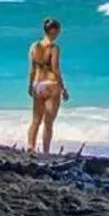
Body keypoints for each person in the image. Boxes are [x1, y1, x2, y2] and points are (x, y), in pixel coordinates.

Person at [26, 18, 69, 153]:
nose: (59, 33)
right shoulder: (54, 48)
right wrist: (63, 88)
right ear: (52, 30)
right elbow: (55, 68)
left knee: (35, 120)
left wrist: (30, 86)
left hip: (38, 85)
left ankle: (30, 146)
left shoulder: (34, 46)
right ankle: (45, 151)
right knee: (48, 122)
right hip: (51, 85)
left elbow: (32, 70)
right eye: (58, 31)